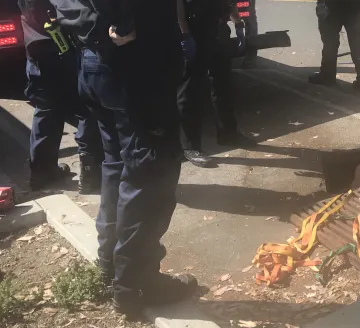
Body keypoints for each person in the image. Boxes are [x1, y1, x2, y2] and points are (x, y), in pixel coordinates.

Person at [52, 0, 198, 317]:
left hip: (99, 63)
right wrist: (126, 24)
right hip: (135, 69)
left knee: (118, 168)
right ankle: (135, 284)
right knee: (149, 177)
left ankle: (110, 266)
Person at [17, 0, 102, 193]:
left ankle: (41, 172)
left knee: (46, 110)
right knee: (85, 108)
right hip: (64, 48)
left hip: (38, 50)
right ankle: (90, 174)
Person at [176, 0, 257, 168]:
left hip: (218, 29)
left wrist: (238, 23)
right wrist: (184, 33)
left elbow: (230, 2)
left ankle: (228, 132)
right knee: (191, 90)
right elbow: (178, 5)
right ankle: (190, 147)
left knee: (223, 82)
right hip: (194, 30)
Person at [308, 0, 360, 92]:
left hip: (332, 5)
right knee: (357, 40)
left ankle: (327, 75)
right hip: (355, 5)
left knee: (330, 40)